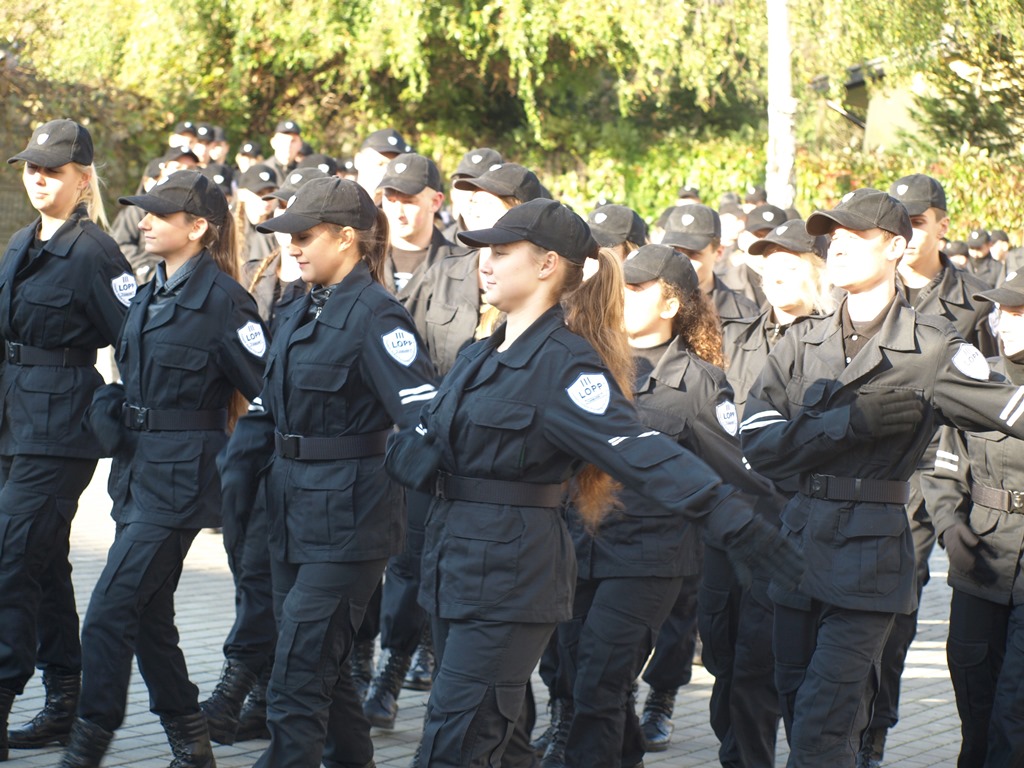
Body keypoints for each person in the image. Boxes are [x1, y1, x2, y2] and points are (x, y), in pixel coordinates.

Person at [384, 198, 802, 768]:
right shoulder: (480, 353)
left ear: (547, 264)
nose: (485, 263)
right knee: (488, 738)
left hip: (508, 574)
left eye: (502, 251)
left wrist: (735, 521)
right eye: (486, 251)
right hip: (453, 565)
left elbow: (638, 449)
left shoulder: (567, 364)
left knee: (453, 744)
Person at [738, 188, 1024, 767]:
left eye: (854, 236)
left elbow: (1012, 411)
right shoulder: (800, 343)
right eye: (832, 238)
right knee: (798, 706)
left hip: (868, 557)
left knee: (823, 723)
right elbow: (759, 445)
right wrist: (841, 425)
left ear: (895, 247)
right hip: (797, 545)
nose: (837, 247)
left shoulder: (933, 349)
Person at [219, 175, 439, 768]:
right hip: (290, 511)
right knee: (325, 668)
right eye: (289, 235)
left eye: (304, 236)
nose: (291, 247)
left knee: (296, 675)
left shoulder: (377, 316)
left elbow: (421, 417)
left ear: (346, 238)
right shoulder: (297, 308)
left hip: (349, 520)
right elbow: (269, 407)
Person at [58, 170, 267, 767]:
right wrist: (111, 405)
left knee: (108, 613)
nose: (143, 222)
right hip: (136, 475)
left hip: (182, 482)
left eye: (158, 214)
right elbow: (133, 378)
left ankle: (86, 744)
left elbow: (272, 395)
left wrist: (246, 471)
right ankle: (191, 743)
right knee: (150, 619)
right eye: (143, 212)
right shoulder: (150, 290)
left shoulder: (226, 302)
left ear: (197, 227)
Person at [551, 244, 785, 768]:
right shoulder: (585, 360)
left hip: (648, 558)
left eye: (637, 289)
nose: (622, 297)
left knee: (598, 681)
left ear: (671, 304)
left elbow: (736, 473)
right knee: (580, 677)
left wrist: (776, 540)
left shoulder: (699, 383)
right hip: (577, 548)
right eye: (620, 287)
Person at [0, 119, 135, 761]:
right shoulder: (20, 243)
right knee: (43, 563)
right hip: (11, 423)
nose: (38, 179)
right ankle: (63, 702)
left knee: (9, 560)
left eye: (52, 170)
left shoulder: (95, 252)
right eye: (32, 168)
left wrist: (121, 414)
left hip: (58, 432)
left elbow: (135, 341)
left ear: (83, 180)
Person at [857, 173, 999, 767]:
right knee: (878, 612)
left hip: (948, 473)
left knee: (917, 615)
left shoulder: (981, 303)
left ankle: (884, 733)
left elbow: (995, 397)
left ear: (942, 224)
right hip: (877, 470)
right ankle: (866, 735)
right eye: (900, 223)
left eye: (919, 221)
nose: (910, 233)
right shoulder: (866, 293)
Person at [920, 268, 1024, 767]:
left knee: (1014, 714)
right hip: (982, 561)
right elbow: (943, 470)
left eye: (1021, 312)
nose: (1008, 321)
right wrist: (948, 524)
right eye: (1005, 311)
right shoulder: (977, 380)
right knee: (973, 695)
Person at [660, 204, 760, 320]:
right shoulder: (650, 306)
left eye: (692, 253)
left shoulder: (745, 314)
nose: (681, 261)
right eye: (674, 252)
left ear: (719, 252)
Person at [354, 128, 414, 196]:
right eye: (380, 164)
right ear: (358, 161)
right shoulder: (344, 199)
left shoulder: (401, 202)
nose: (387, 172)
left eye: (393, 167)